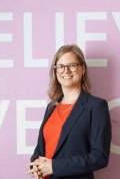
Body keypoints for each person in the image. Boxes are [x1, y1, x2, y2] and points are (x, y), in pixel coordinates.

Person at [26, 44, 112, 179]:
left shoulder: (96, 106)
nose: (66, 71)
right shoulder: (51, 107)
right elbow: (41, 147)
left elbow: (100, 157)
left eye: (72, 65)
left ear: (82, 68)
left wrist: (54, 167)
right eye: (60, 66)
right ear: (55, 71)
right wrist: (36, 163)